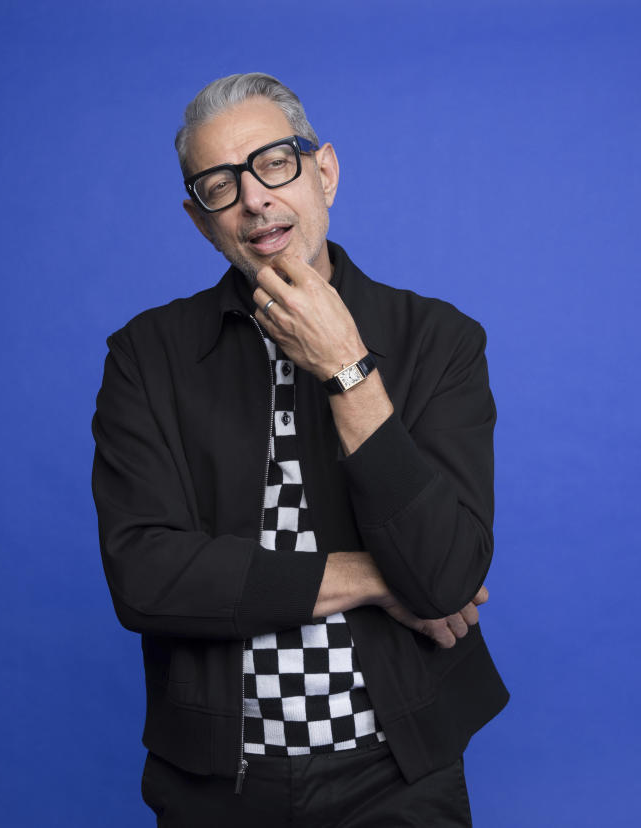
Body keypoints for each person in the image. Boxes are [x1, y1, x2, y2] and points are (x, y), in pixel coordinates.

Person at [92, 72, 509, 827]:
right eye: (220, 186)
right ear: (200, 220)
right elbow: (147, 579)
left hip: (398, 777)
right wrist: (377, 579)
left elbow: (447, 576)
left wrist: (348, 367)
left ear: (324, 172)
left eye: (273, 164)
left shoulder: (441, 340)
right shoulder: (146, 357)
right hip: (217, 785)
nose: (253, 199)